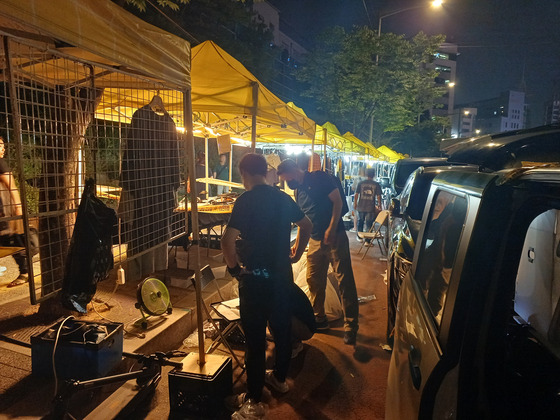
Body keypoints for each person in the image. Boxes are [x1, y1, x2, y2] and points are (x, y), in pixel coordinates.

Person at [221, 153, 312, 415]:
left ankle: (253, 398)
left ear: (244, 174)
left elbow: (227, 242)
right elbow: (306, 225)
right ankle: (280, 380)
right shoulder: (283, 198)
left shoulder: (245, 201)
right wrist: (296, 252)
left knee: (255, 338)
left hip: (254, 279)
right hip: (281, 277)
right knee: (282, 331)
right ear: (265, 172)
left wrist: (234, 270)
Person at [277, 159, 359, 345]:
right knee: (313, 279)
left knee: (344, 280)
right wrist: (297, 246)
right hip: (314, 240)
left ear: (296, 170)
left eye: (288, 179)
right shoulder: (298, 191)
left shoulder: (320, 177)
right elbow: (302, 221)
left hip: (335, 237)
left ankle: (351, 327)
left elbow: (337, 202)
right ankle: (319, 319)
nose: (288, 183)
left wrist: (331, 228)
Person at [0, 137, 28, 287]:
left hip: (4, 213)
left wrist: (18, 208)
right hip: (3, 212)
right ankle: (24, 272)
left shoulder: (0, 163)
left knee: (13, 242)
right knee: (10, 242)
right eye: (0, 146)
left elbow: (12, 186)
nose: (3, 149)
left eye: (3, 146)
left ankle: (24, 272)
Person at [354, 168, 382, 242]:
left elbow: (356, 194)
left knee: (360, 222)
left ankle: (359, 238)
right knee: (369, 223)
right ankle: (367, 241)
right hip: (370, 207)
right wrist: (380, 205)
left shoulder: (361, 183)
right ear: (374, 175)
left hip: (361, 206)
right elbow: (379, 196)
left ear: (366, 174)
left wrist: (355, 203)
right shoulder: (376, 184)